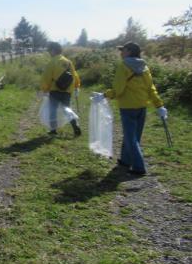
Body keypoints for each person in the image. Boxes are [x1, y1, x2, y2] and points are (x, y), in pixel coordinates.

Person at [93, 42, 167, 176]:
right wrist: (159, 105)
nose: (121, 53)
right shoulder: (144, 67)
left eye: (123, 50)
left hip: (128, 107)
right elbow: (151, 88)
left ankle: (139, 168)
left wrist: (104, 95)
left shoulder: (123, 66)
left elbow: (118, 89)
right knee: (134, 136)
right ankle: (125, 161)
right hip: (141, 106)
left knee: (130, 137)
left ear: (130, 51)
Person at [40, 42, 82, 136]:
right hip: (67, 91)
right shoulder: (68, 62)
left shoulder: (52, 62)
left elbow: (46, 77)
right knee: (67, 109)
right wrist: (76, 86)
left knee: (53, 110)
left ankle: (53, 130)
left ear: (53, 50)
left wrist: (45, 89)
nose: (49, 52)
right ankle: (76, 127)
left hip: (55, 90)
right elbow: (74, 75)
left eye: (50, 50)